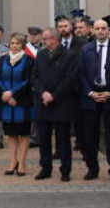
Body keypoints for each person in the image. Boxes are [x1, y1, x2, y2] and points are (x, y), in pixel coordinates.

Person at [31, 27, 79, 181]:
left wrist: (54, 95)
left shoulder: (70, 55)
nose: (43, 41)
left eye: (45, 38)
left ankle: (65, 170)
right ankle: (45, 168)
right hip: (43, 103)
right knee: (44, 140)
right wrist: (42, 93)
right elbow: (35, 77)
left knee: (63, 140)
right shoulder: (41, 54)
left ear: (55, 39)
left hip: (62, 104)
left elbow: (70, 79)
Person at [79, 19, 110, 182]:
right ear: (92, 30)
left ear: (108, 30)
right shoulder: (86, 50)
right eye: (97, 28)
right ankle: (92, 168)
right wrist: (89, 92)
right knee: (90, 135)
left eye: (103, 28)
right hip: (91, 96)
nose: (101, 31)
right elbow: (80, 74)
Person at [0, 33, 33, 176]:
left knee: (23, 133)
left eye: (17, 43)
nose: (14, 46)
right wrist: (5, 94)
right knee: (10, 134)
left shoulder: (28, 60)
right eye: (12, 43)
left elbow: (28, 80)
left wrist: (13, 93)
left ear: (22, 45)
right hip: (6, 101)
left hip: (22, 101)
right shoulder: (3, 59)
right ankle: (12, 161)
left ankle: (22, 162)